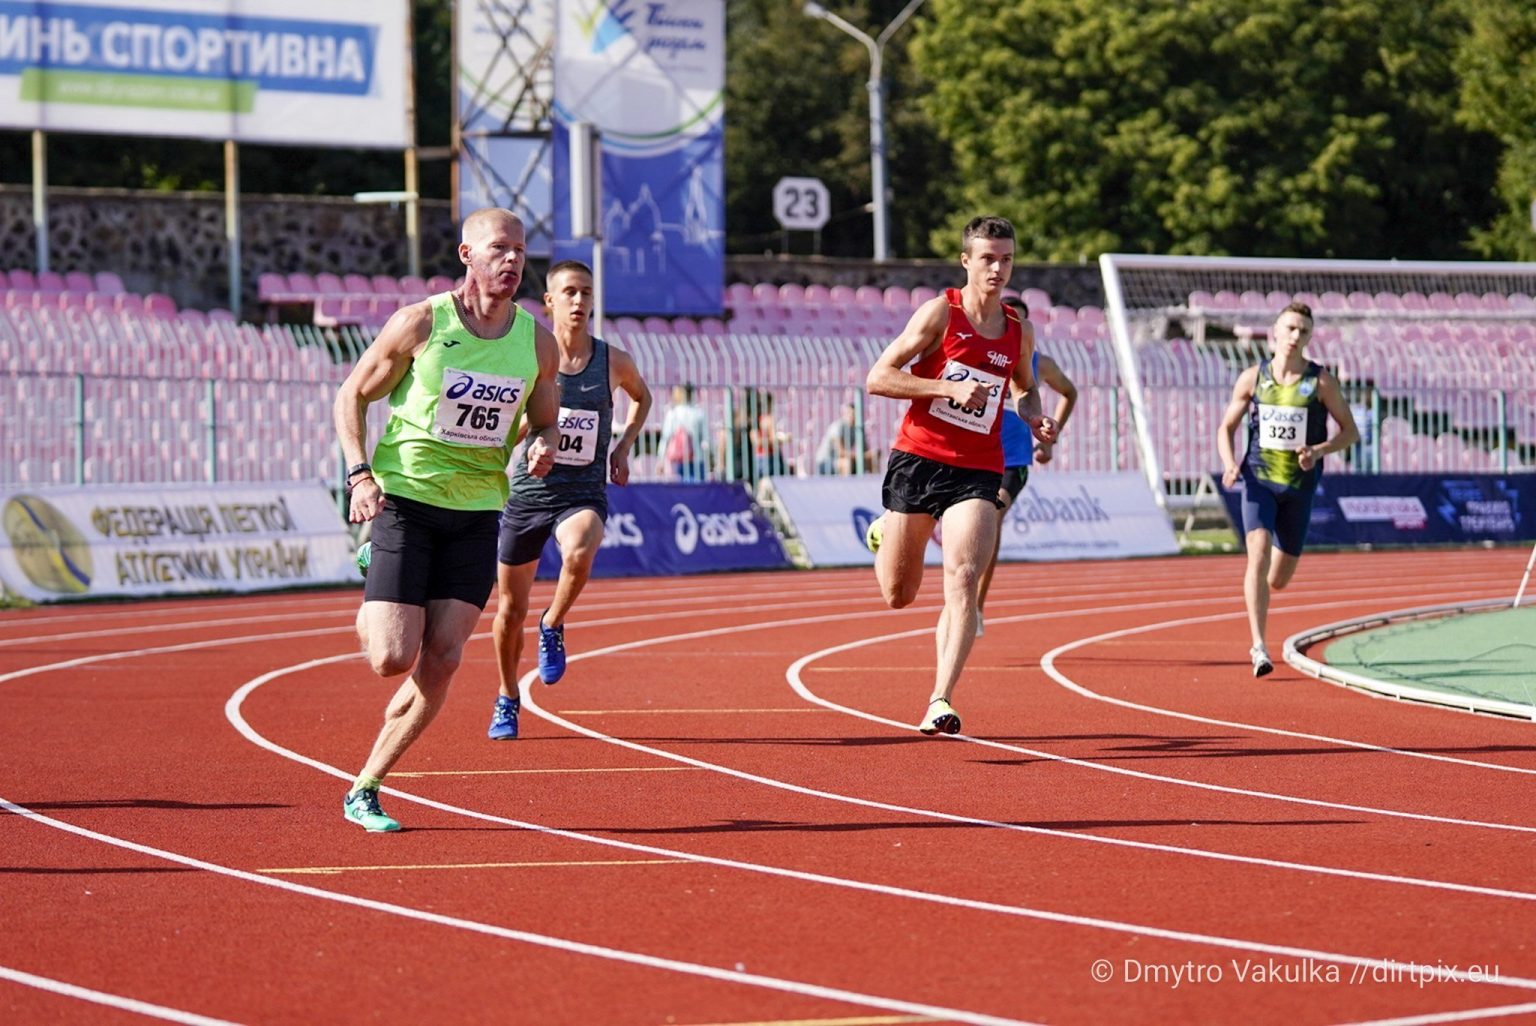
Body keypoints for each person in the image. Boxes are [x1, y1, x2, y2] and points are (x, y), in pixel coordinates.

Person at [333, 207, 559, 831]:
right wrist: (358, 474)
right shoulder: (421, 324)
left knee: (447, 657)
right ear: (468, 256)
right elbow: (351, 392)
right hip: (406, 499)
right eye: (498, 250)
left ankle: (366, 787)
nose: (511, 261)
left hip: (479, 508)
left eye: (519, 250)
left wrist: (541, 446)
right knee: (390, 658)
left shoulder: (535, 341)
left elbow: (545, 421)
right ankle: (376, 557)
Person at [863, 216, 1057, 735]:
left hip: (978, 466)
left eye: (1007, 259)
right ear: (966, 260)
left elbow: (1025, 387)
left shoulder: (1018, 330)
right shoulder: (940, 314)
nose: (998, 268)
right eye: (988, 258)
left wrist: (1035, 414)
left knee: (965, 579)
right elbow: (878, 378)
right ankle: (886, 529)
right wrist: (946, 390)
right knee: (898, 595)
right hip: (918, 458)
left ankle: (939, 699)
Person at [488, 260, 653, 740]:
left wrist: (622, 446)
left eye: (586, 293)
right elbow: (508, 426)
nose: (579, 302)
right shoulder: (528, 358)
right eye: (570, 293)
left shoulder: (613, 361)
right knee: (507, 613)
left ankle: (554, 620)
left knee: (581, 547)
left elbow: (642, 398)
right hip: (529, 492)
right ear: (550, 302)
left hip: (581, 491)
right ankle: (506, 697)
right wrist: (537, 438)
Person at [1217, 301, 1359, 677]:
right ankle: (1259, 647)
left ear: (1309, 337)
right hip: (1258, 479)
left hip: (1298, 487)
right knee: (1257, 553)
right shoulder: (1253, 377)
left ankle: (1260, 591)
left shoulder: (1320, 381)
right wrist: (1230, 463)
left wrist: (1319, 450)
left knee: (1277, 579)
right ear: (1276, 332)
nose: (1296, 336)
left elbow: (1351, 432)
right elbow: (1225, 428)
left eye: (1304, 331)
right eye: (1291, 328)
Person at [974, 298, 1078, 636]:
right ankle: (964, 599)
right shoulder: (984, 356)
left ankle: (975, 607)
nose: (1011, 328)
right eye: (1006, 320)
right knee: (973, 529)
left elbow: (1069, 393)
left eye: (1019, 323)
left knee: (990, 520)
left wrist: (1049, 438)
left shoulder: (1039, 363)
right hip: (977, 456)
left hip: (1014, 461)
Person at [658, 383, 708, 481]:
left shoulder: (673, 413)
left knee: (682, 490)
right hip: (697, 459)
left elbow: (666, 438)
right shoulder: (699, 413)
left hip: (679, 460)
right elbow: (706, 440)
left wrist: (661, 459)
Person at [813, 401, 873, 476]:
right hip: (825, 462)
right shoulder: (838, 426)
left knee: (871, 460)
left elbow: (865, 451)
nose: (852, 416)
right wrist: (861, 456)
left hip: (841, 460)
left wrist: (871, 455)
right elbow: (840, 452)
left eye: (854, 414)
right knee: (847, 463)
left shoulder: (858, 428)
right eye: (850, 414)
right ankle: (845, 487)